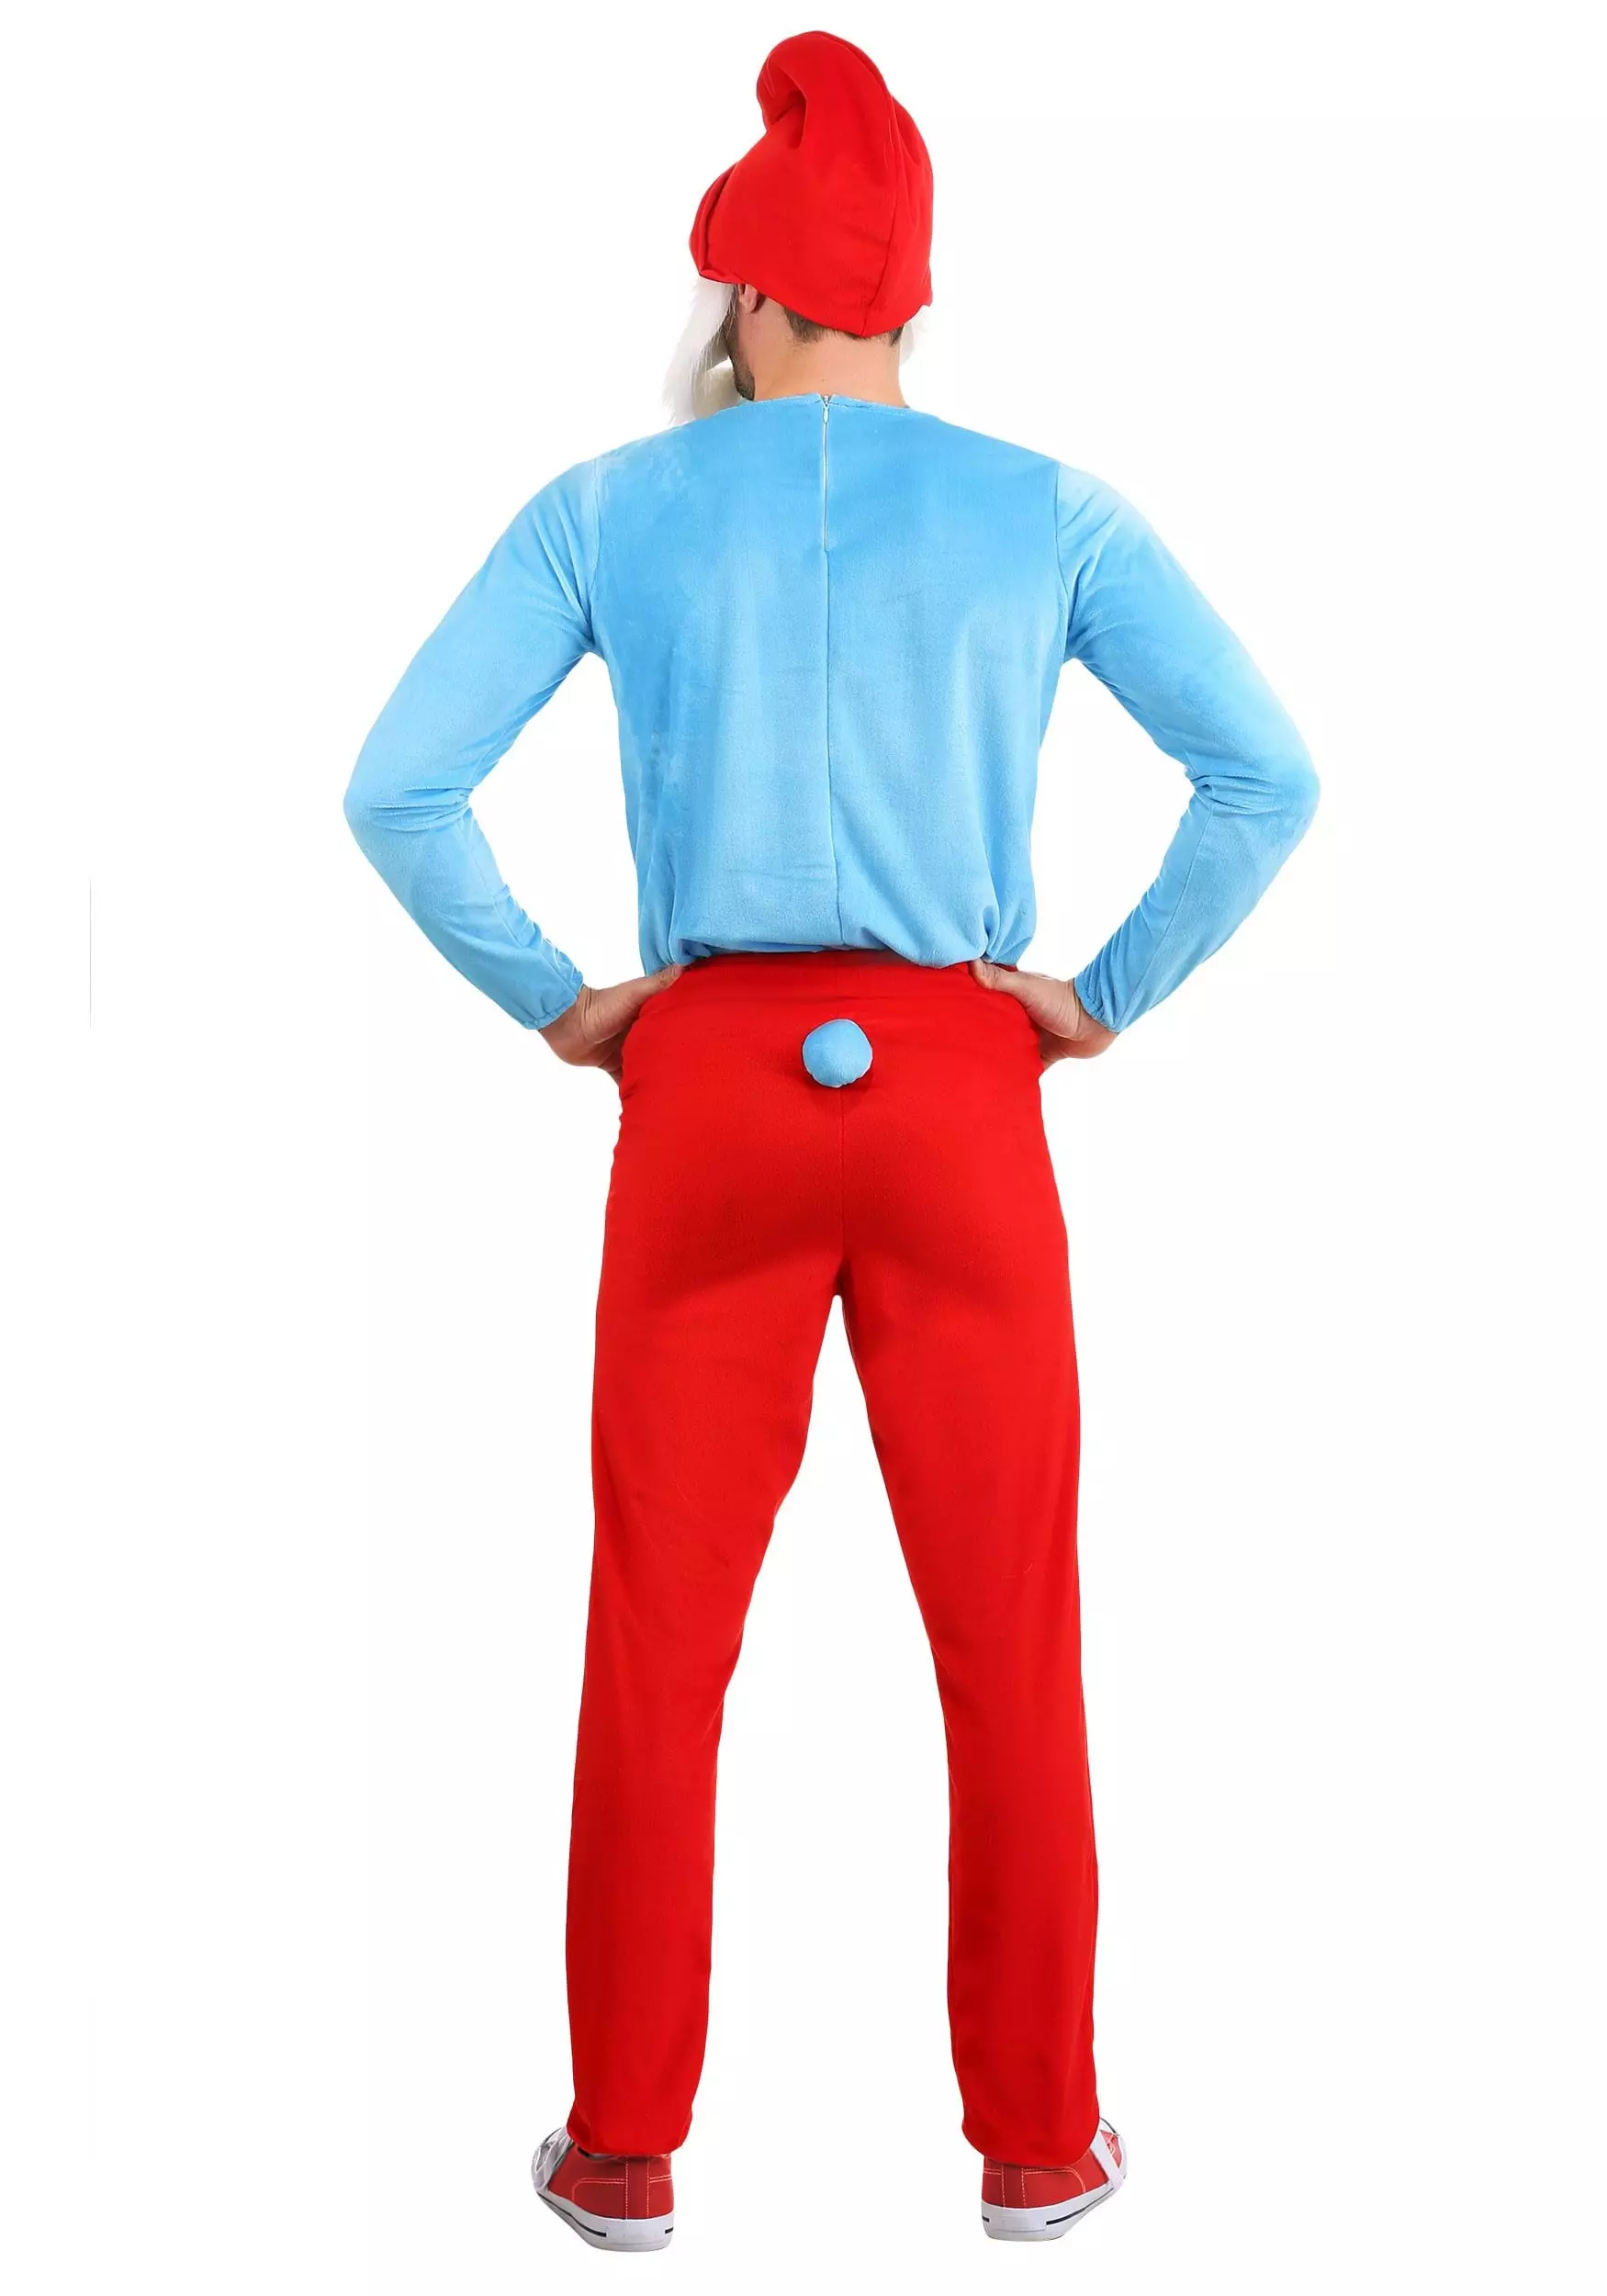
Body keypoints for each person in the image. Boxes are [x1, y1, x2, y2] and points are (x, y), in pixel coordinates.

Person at [344, 29, 1318, 2253]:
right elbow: (1265, 774)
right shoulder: (1046, 506)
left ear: (748, 297)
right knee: (1007, 1633)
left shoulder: (607, 505)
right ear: (908, 298)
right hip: (960, 1090)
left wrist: (562, 998)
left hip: (702, 1089)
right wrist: (1096, 992)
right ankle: (1039, 2142)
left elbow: (396, 786)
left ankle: (620, 2145)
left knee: (657, 1635)